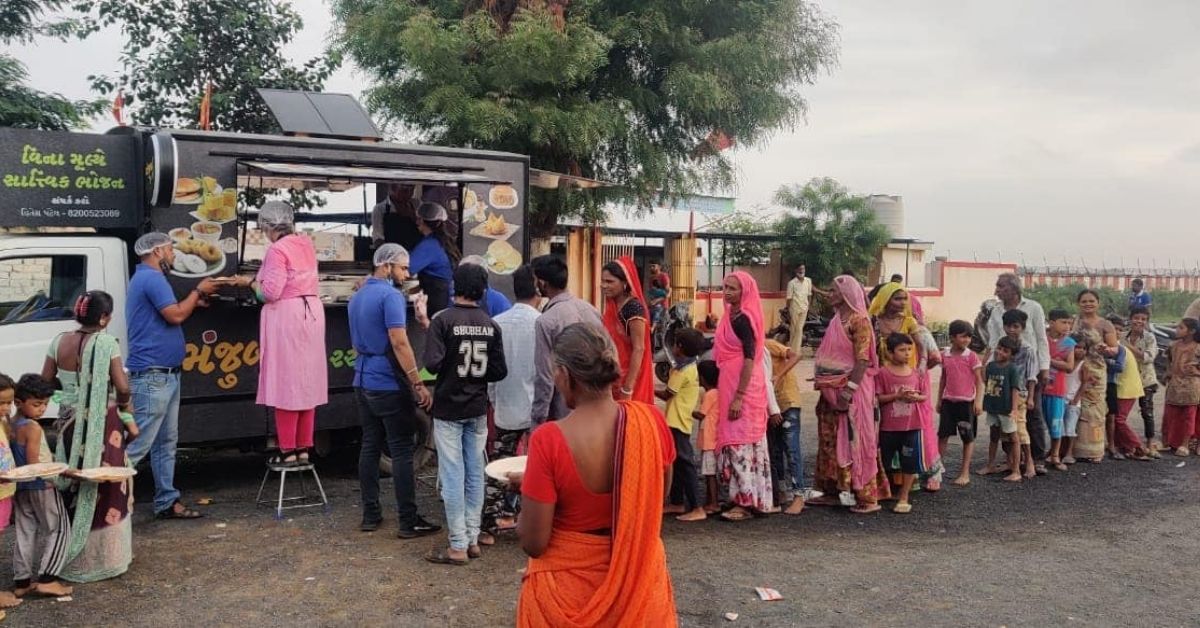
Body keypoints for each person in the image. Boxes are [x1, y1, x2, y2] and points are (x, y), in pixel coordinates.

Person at [511, 323, 677, 626]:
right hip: (639, 589)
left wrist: (528, 496)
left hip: (565, 594)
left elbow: (533, 543)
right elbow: (656, 495)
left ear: (563, 375)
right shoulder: (651, 422)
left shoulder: (548, 440)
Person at [222, 201, 328, 466]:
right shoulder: (306, 244)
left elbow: (270, 293)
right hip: (312, 313)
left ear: (270, 227)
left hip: (288, 316)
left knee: (286, 382)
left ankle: (288, 449)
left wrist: (249, 283)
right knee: (307, 381)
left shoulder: (277, 250)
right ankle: (304, 447)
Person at [42, 291, 137, 584]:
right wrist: (125, 410)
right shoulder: (107, 343)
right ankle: (105, 558)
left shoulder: (58, 341)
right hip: (104, 422)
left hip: (67, 422)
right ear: (104, 318)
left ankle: (68, 552)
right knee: (106, 484)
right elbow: (122, 386)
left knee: (74, 481)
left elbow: (45, 383)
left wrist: (69, 396)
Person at [347, 243, 440, 537]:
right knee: (401, 450)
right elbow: (400, 343)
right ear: (386, 266)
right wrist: (417, 383)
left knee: (370, 444)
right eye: (402, 267)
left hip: (361, 379)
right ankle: (408, 520)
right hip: (387, 382)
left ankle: (370, 514)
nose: (407, 273)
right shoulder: (390, 297)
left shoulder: (357, 296)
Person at [125, 232, 215, 520]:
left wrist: (191, 303)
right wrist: (197, 292)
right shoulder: (152, 278)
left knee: (165, 442)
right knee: (140, 445)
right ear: (159, 251)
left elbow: (171, 312)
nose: (174, 255)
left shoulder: (145, 278)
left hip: (164, 374)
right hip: (154, 375)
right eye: (171, 250)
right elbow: (175, 315)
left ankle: (166, 501)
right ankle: (99, 499)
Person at [423, 264, 507, 565]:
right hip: (477, 409)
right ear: (483, 291)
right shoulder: (490, 324)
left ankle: (457, 545)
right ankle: (471, 539)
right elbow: (499, 370)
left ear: (453, 287)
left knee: (452, 473)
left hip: (448, 408)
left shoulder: (442, 321)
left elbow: (431, 365)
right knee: (475, 472)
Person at [810, 275, 891, 514]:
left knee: (856, 440)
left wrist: (848, 392)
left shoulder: (859, 321)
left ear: (846, 295)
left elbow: (862, 361)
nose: (830, 294)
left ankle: (867, 496)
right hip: (830, 391)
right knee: (830, 439)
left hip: (851, 392)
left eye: (835, 291)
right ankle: (833, 490)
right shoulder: (837, 319)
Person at [869, 282, 942, 490]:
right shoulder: (875, 321)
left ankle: (916, 475)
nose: (902, 303)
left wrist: (920, 369)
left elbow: (923, 348)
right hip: (883, 379)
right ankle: (887, 478)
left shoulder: (909, 321)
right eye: (897, 298)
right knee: (885, 427)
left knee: (911, 425)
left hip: (907, 378)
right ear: (885, 299)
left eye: (904, 299)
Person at [714, 272, 773, 521]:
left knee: (742, 443)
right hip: (732, 383)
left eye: (733, 289)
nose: (727, 292)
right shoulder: (731, 315)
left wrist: (739, 396)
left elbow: (750, 358)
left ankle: (746, 502)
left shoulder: (743, 319)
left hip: (744, 389)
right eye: (725, 287)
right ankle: (745, 498)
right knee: (739, 443)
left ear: (744, 292)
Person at [8, 375, 72, 597]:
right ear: (18, 402)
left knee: (25, 533)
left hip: (21, 488)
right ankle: (48, 578)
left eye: (45, 404)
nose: (42, 409)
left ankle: (22, 581)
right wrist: (64, 471)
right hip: (42, 486)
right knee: (60, 529)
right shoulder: (33, 428)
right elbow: (35, 464)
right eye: (37, 404)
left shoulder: (10, 424)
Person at [981, 273, 1051, 468]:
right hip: (1004, 369)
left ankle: (1037, 459)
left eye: (1001, 286)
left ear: (1013, 288)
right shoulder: (996, 311)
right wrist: (989, 368)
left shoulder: (1033, 307)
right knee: (1006, 413)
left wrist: (1044, 368)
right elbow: (993, 341)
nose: (997, 290)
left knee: (1033, 411)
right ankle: (1012, 457)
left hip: (1029, 368)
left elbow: (1041, 338)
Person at [530, 255, 603, 424]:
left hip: (564, 412)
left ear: (542, 283)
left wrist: (538, 419)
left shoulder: (546, 321)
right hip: (595, 406)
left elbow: (545, 376)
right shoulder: (591, 310)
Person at [875, 333, 931, 513]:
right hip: (888, 428)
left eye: (909, 349)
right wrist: (897, 396)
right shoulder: (882, 373)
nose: (907, 353)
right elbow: (877, 398)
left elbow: (924, 395)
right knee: (884, 461)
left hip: (912, 426)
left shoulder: (916, 373)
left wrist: (915, 397)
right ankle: (884, 490)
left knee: (909, 461)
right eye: (902, 350)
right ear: (890, 353)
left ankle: (904, 495)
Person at [658, 328, 705, 522]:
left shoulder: (680, 371)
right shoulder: (691, 366)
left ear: (680, 347)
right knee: (678, 462)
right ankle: (677, 502)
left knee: (685, 463)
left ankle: (696, 507)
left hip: (675, 420)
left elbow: (668, 393)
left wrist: (648, 388)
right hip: (681, 419)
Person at [490, 265, 540, 444]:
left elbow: (491, 378)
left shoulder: (495, 323)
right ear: (538, 289)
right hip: (534, 415)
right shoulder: (542, 323)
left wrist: (496, 404)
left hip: (503, 416)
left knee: (504, 468)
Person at [992, 309, 1039, 479]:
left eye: (1015, 326)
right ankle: (1011, 460)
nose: (1011, 329)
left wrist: (1031, 397)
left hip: (1020, 394)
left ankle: (1029, 462)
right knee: (1005, 430)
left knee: (1020, 429)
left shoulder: (1028, 349)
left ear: (1022, 327)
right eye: (1008, 326)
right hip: (1002, 393)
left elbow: (1032, 375)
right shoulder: (1002, 345)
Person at [937, 320, 984, 486]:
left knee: (967, 437)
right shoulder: (945, 355)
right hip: (948, 401)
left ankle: (964, 472)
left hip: (966, 403)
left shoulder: (971, 356)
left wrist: (978, 401)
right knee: (942, 435)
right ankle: (936, 470)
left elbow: (979, 381)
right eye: (962, 336)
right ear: (952, 337)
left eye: (969, 337)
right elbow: (943, 377)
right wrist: (939, 399)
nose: (966, 340)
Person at [600, 257, 653, 404]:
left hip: (628, 379)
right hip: (613, 375)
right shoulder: (613, 306)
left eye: (609, 282)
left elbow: (639, 348)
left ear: (624, 283)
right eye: (603, 281)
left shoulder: (633, 308)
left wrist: (627, 388)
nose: (603, 285)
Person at [764, 337, 805, 515]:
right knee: (774, 450)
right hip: (772, 405)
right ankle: (781, 490)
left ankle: (799, 495)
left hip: (787, 401)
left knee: (791, 449)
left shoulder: (768, 345)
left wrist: (778, 375)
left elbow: (796, 356)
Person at [980, 337, 1022, 482]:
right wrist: (984, 362)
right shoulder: (991, 365)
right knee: (993, 436)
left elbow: (1015, 389)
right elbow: (984, 379)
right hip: (993, 406)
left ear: (1011, 354)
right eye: (999, 348)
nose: (1000, 352)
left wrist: (1014, 408)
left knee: (1013, 438)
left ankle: (1016, 470)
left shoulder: (1012, 369)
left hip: (1006, 409)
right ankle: (990, 465)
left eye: (1005, 351)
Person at [410, 202, 460, 319]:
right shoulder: (446, 241)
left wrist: (414, 297)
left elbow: (406, 270)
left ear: (420, 221)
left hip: (437, 302)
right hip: (450, 302)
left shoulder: (429, 245)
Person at [1123, 306, 1161, 454]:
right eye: (1136, 318)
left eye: (1143, 319)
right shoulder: (1122, 336)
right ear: (1130, 318)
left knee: (1147, 411)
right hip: (1127, 379)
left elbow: (1147, 358)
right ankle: (1125, 443)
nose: (1139, 321)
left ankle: (1150, 443)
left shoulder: (1150, 338)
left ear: (1147, 322)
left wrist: (1128, 347)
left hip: (1146, 380)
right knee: (1122, 413)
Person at [1043, 310, 1077, 471]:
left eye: (1069, 323)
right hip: (1039, 388)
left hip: (1057, 390)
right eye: (1063, 322)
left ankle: (1055, 455)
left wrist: (1049, 361)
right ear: (1051, 322)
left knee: (1056, 422)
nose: (1067, 326)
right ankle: (1037, 454)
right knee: (1038, 423)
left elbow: (1070, 366)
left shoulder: (1069, 343)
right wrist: (1057, 362)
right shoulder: (1042, 339)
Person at [1162, 319, 1200, 457]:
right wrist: (1168, 374)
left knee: (1189, 416)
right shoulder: (1173, 346)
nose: (1177, 330)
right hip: (1175, 384)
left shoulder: (1198, 347)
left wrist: (1196, 372)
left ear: (1192, 331)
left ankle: (1185, 444)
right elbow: (1169, 361)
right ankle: (1169, 442)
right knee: (1171, 414)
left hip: (1191, 386)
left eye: (1181, 327)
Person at [1073, 330, 1109, 464]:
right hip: (1088, 397)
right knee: (1085, 420)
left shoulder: (1097, 360)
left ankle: (1096, 452)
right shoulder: (1084, 360)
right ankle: (1083, 451)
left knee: (1095, 421)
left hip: (1096, 397)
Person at [1111, 340, 1150, 461]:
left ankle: (1137, 446)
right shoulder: (1119, 347)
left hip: (1126, 388)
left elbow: (1118, 367)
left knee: (1119, 420)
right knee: (1116, 419)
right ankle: (1125, 447)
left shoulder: (1116, 348)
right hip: (1127, 387)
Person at [693, 360, 721, 514]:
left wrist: (690, 411)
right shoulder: (717, 393)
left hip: (709, 440)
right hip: (712, 438)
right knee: (710, 472)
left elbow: (701, 414)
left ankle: (714, 502)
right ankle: (711, 500)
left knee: (710, 473)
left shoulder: (710, 394)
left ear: (703, 378)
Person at [0, 376, 18, 611]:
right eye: (0, 403)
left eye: (9, 402)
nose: (5, 408)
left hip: (5, 492)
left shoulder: (3, 423)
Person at [371, 183, 422, 252]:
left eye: (412, 190)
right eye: (405, 190)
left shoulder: (417, 205)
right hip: (394, 255)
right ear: (393, 187)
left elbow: (426, 229)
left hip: (417, 252)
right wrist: (389, 255)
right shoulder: (380, 209)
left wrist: (412, 216)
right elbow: (378, 239)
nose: (409, 194)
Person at [1060, 337, 1087, 464]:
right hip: (1061, 398)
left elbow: (1084, 383)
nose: (1080, 351)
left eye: (1083, 348)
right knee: (1059, 427)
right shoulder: (1065, 362)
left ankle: (1069, 452)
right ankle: (1058, 450)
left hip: (1072, 400)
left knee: (1070, 428)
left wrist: (1076, 399)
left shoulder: (1083, 365)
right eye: (1077, 347)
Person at [786, 264, 814, 355]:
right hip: (794, 308)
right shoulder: (791, 283)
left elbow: (809, 295)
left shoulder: (808, 281)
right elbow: (789, 298)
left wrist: (808, 306)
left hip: (804, 308)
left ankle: (795, 351)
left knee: (799, 328)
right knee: (794, 329)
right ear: (796, 270)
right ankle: (791, 349)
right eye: (799, 269)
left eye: (803, 269)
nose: (801, 271)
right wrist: (788, 309)